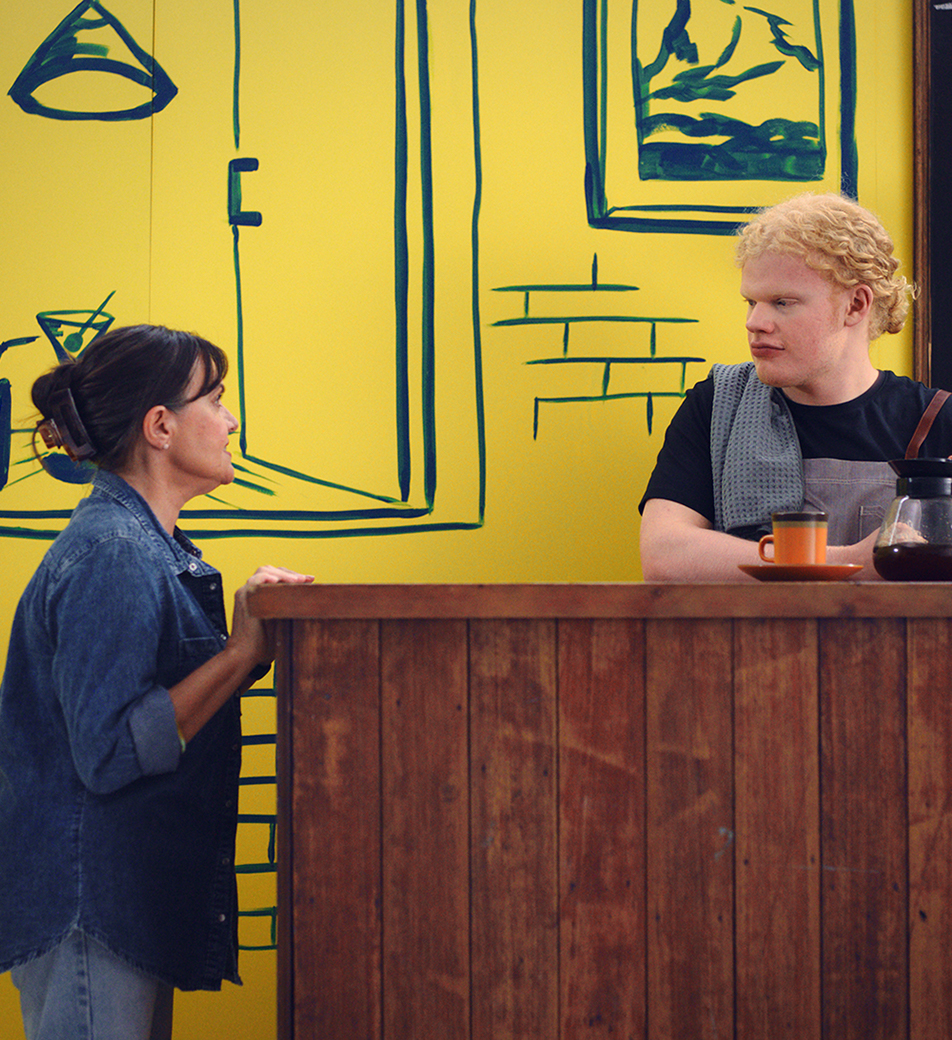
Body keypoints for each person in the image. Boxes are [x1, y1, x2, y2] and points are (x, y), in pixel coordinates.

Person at [0, 325, 313, 1040]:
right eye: (217, 399)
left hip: (115, 907)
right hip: (90, 913)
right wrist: (236, 655)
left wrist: (248, 643)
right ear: (161, 426)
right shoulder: (113, 551)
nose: (231, 420)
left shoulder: (142, 545)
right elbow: (109, 752)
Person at [639, 192, 952, 581]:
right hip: (746, 644)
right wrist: (850, 562)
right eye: (751, 302)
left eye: (782, 302)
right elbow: (664, 556)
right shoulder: (718, 406)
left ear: (856, 305)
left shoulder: (938, 420)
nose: (755, 322)